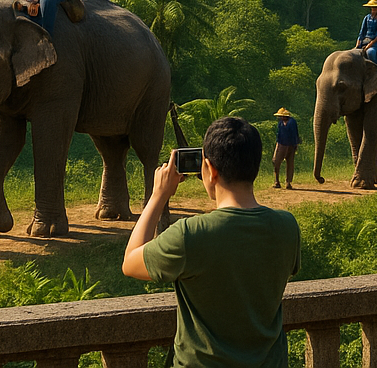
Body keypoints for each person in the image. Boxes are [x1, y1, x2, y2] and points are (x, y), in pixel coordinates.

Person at [123, 116, 300, 368]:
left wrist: (158, 195)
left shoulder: (190, 234)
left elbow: (130, 262)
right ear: (256, 165)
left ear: (209, 169)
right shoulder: (287, 227)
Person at [272, 107, 300, 190]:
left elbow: (295, 134)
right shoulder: (280, 123)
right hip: (281, 144)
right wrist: (277, 144)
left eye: (281, 116)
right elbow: (279, 134)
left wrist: (295, 144)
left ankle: (288, 182)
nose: (280, 117)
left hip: (290, 145)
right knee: (276, 161)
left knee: (290, 163)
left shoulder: (292, 122)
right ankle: (277, 181)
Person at [355, 0, 377, 68]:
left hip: (375, 43)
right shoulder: (367, 18)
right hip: (365, 41)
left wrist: (368, 46)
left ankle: (374, 69)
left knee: (371, 52)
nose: (373, 10)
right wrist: (358, 43)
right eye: (372, 8)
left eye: (375, 8)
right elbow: (362, 32)